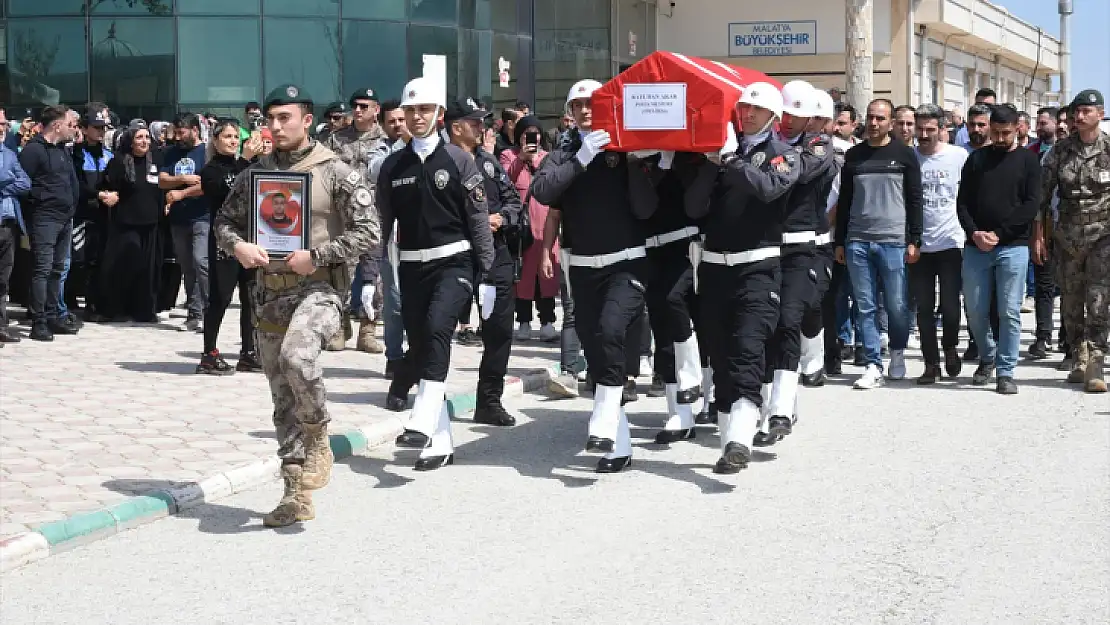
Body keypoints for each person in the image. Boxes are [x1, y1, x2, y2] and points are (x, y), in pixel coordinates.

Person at [214, 83, 381, 527]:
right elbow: (223, 224)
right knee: (282, 400)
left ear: (307, 120)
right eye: (269, 119)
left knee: (298, 356)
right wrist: (239, 247)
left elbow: (369, 232)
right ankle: (295, 494)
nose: (274, 126)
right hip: (268, 294)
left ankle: (320, 436)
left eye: (284, 118)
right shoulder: (255, 174)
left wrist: (319, 256)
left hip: (320, 291)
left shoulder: (336, 171)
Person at [531, 78, 658, 473]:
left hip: (627, 261)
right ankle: (616, 443)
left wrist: (637, 162)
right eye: (580, 104)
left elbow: (646, 207)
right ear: (570, 112)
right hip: (583, 266)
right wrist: (580, 159)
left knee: (611, 329)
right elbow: (543, 191)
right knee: (595, 344)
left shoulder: (624, 145)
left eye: (594, 103)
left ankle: (603, 416)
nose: (587, 110)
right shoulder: (565, 151)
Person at [377, 78, 495, 470]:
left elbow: (478, 219)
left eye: (425, 110)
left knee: (439, 326)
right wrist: (375, 275)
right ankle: (439, 442)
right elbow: (381, 223)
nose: (417, 117)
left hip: (455, 261)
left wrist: (488, 272)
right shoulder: (393, 165)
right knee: (424, 340)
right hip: (411, 265)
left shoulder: (461, 160)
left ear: (440, 115)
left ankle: (423, 416)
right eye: (411, 111)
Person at [685, 82, 800, 473]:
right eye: (743, 107)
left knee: (749, 350)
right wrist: (709, 164)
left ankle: (740, 436)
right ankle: (729, 443)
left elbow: (769, 188)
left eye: (755, 109)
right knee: (720, 356)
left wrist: (733, 161)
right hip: (715, 268)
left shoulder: (782, 155)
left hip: (759, 268)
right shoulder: (719, 154)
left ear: (773, 115)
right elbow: (694, 207)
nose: (746, 114)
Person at [759, 80, 835, 445]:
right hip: (766, 246)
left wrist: (765, 157)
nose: (790, 121)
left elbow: (795, 173)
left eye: (799, 116)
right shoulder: (766, 144)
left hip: (803, 248)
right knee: (767, 327)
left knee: (790, 321)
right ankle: (767, 401)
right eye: (785, 113)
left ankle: (781, 408)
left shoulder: (819, 146)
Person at [445, 96, 525, 427]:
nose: (482, 127)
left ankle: (489, 400)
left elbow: (513, 201)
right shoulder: (440, 163)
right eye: (475, 122)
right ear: (455, 127)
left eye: (483, 121)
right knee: (436, 328)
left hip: (495, 257)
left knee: (499, 331)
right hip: (455, 257)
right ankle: (422, 392)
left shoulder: (489, 162)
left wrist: (502, 219)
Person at [834, 99, 923, 389]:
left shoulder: (905, 155)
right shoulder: (854, 156)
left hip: (894, 241)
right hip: (858, 240)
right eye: (871, 118)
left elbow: (914, 199)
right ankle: (873, 363)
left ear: (891, 123)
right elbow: (845, 200)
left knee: (897, 305)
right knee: (865, 305)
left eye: (880, 119)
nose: (874, 123)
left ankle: (896, 352)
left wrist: (914, 239)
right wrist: (840, 241)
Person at [957, 104, 1041, 395]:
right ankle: (988, 354)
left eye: (1006, 133)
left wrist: (1000, 233)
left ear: (1018, 128)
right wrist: (974, 232)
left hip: (1013, 247)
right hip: (976, 246)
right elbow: (963, 203)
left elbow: (1031, 204)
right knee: (976, 311)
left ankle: (1005, 371)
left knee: (1009, 312)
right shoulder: (976, 159)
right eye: (995, 133)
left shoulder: (1029, 162)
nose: (1000, 138)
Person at [1036, 89, 1109, 393]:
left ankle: (1096, 361)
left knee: (1099, 299)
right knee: (1070, 300)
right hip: (1067, 238)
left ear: (1100, 114)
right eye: (1076, 112)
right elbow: (1041, 195)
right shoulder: (1060, 151)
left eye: (1086, 111)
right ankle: (1078, 354)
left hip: (1103, 236)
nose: (1079, 117)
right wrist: (1038, 234)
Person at [324, 87, 389, 355]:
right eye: (355, 105)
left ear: (376, 109)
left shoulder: (386, 140)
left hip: (376, 216)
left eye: (364, 105)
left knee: (374, 276)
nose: (358, 110)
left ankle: (368, 328)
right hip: (344, 217)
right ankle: (340, 327)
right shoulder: (336, 140)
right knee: (341, 271)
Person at [196, 119, 263, 374]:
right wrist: (245, 160)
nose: (233, 141)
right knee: (220, 297)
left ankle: (248, 352)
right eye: (227, 136)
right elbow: (232, 189)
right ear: (215, 140)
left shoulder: (247, 164)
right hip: (224, 241)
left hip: (250, 239)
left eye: (236, 136)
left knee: (251, 296)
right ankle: (209, 354)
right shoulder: (211, 170)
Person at [912, 104, 968, 384]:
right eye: (919, 129)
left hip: (951, 241)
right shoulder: (909, 159)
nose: (923, 134)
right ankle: (930, 363)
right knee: (923, 307)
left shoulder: (958, 157)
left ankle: (949, 346)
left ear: (942, 129)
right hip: (919, 245)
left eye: (930, 129)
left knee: (949, 304)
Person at [19, 105, 80, 341]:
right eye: (68, 124)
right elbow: (23, 185)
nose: (71, 129)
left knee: (58, 269)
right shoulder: (33, 151)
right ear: (56, 125)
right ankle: (39, 320)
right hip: (45, 218)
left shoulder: (62, 150)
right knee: (42, 269)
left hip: (65, 218)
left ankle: (54, 315)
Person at [96, 127, 164, 322]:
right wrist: (110, 194)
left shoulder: (156, 160)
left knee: (147, 270)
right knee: (125, 268)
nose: (144, 141)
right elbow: (105, 186)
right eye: (139, 137)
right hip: (126, 223)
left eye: (147, 137)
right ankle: (118, 309)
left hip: (151, 223)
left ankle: (144, 310)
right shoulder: (118, 161)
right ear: (130, 141)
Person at [502, 116, 559, 342]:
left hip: (547, 226)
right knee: (522, 277)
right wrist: (521, 160)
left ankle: (547, 321)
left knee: (547, 277)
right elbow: (504, 180)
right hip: (522, 228)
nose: (530, 138)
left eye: (534, 133)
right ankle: (523, 321)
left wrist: (534, 160)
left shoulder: (548, 158)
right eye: (526, 133)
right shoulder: (509, 156)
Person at [160, 113, 210, 332]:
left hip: (202, 217)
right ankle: (194, 313)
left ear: (195, 130)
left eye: (182, 132)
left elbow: (207, 184)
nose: (178, 137)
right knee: (187, 267)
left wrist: (182, 193)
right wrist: (183, 179)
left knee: (202, 263)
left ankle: (210, 310)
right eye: (176, 132)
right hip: (179, 218)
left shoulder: (207, 152)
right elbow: (162, 181)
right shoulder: (172, 153)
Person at [372, 99, 409, 379]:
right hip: (393, 240)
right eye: (392, 121)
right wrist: (401, 145)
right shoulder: (383, 149)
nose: (398, 125)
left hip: (424, 237)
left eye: (402, 119)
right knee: (394, 301)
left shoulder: (428, 149)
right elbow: (375, 169)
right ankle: (394, 356)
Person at [72, 109, 114, 322]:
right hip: (81, 215)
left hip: (102, 215)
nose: (100, 132)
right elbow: (76, 184)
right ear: (85, 129)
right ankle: (70, 300)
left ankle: (93, 303)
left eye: (103, 128)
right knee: (78, 260)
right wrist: (97, 194)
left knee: (98, 260)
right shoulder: (75, 154)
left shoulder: (108, 154)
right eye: (96, 128)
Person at [0, 126, 30, 345]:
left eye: (3, 124)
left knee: (3, 279)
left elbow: (26, 183)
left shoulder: (9, 154)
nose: (3, 128)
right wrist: (8, 180)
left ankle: (1, 326)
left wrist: (4, 187)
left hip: (8, 225)